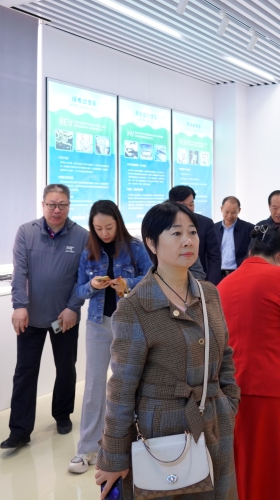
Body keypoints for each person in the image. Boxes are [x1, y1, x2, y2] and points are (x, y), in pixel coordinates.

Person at [94, 202, 240, 500]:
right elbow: (121, 389)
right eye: (176, 233)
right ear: (151, 243)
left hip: (214, 423)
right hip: (161, 434)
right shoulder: (135, 307)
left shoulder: (209, 293)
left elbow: (225, 355)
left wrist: (229, 401)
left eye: (192, 232)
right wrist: (113, 456)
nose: (188, 241)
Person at [218, 226, 280, 500]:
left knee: (238, 468)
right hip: (272, 389)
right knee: (273, 471)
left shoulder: (224, 285)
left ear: (251, 251)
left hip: (229, 389)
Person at [1, 184, 88, 450]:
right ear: (43, 205)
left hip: (64, 318)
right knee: (25, 372)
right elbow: (19, 272)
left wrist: (73, 307)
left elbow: (84, 277)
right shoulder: (26, 232)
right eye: (51, 204)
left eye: (62, 205)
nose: (56, 210)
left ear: (69, 206)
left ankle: (62, 414)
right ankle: (19, 431)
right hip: (31, 317)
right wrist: (19, 305)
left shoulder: (82, 237)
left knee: (66, 368)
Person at [68, 200, 151, 474]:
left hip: (128, 323)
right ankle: (85, 449)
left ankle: (128, 445)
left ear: (118, 223)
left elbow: (151, 278)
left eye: (109, 227)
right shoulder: (88, 252)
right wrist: (92, 285)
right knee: (93, 385)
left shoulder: (135, 248)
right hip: (97, 324)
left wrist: (128, 284)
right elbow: (79, 290)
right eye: (98, 228)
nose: (104, 233)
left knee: (127, 384)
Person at [169, 185, 222, 284]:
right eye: (184, 205)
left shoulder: (205, 223)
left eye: (191, 204)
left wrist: (211, 284)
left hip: (200, 278)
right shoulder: (166, 223)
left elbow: (214, 256)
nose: (189, 208)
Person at [214, 196, 253, 280]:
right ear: (221, 209)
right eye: (227, 212)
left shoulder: (249, 228)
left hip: (240, 273)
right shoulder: (214, 228)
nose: (229, 216)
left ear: (239, 210)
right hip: (218, 274)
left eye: (233, 212)